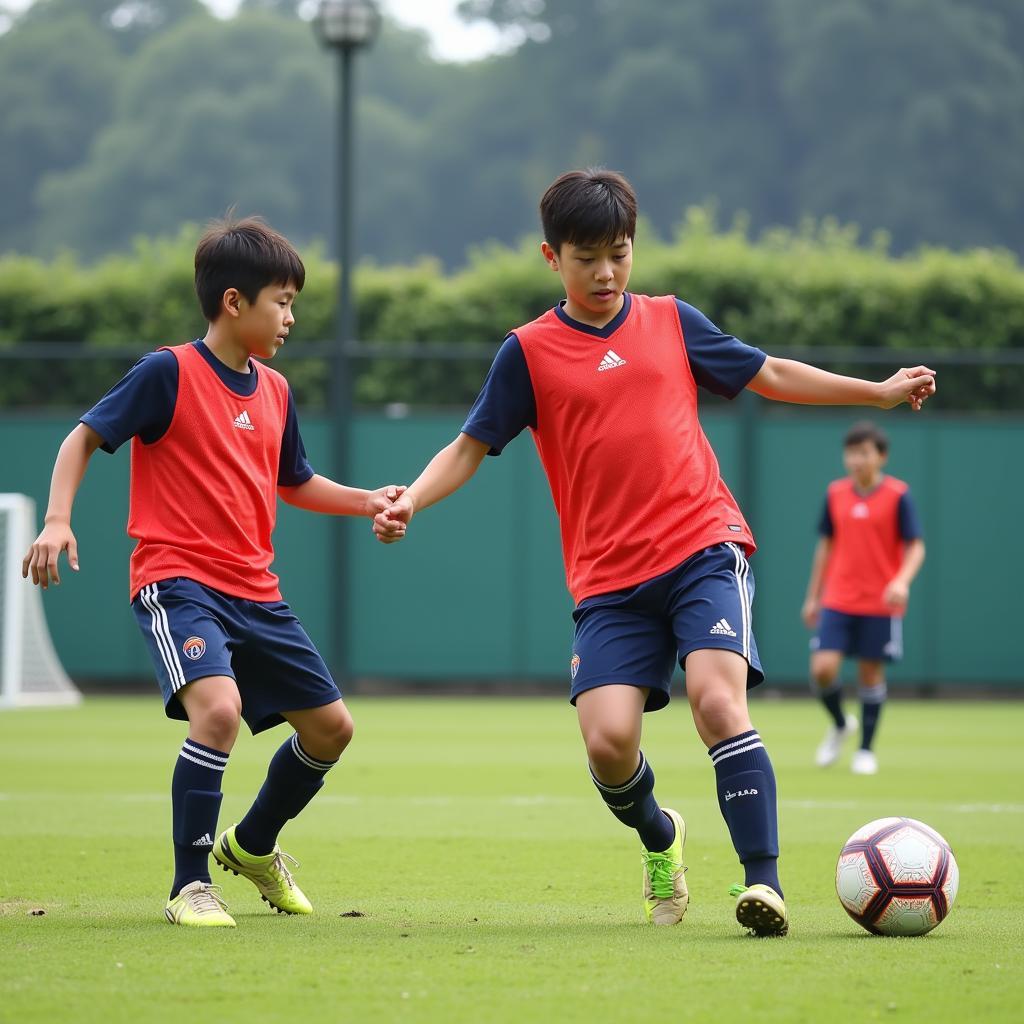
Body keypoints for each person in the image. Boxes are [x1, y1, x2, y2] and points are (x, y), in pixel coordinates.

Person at [372, 169, 936, 938]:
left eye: (620, 253)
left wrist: (874, 392)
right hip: (608, 582)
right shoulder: (528, 352)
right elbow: (472, 447)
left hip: (703, 546)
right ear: (551, 257)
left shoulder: (672, 321)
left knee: (716, 700)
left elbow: (768, 372)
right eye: (586, 258)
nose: (606, 273)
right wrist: (412, 498)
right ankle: (661, 840)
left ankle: (762, 884)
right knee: (608, 744)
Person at [22, 217, 403, 928]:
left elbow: (295, 482)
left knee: (331, 730)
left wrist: (367, 501)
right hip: (178, 582)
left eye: (293, 303)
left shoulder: (278, 391)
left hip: (258, 592)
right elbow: (83, 437)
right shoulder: (167, 372)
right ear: (235, 302)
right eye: (281, 301)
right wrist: (56, 519)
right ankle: (189, 885)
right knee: (220, 713)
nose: (290, 317)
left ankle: (254, 846)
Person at [802, 421, 925, 775]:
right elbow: (824, 546)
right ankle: (841, 723)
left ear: (881, 456)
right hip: (838, 599)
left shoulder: (899, 495)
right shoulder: (835, 493)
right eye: (851, 453)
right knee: (823, 670)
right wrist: (813, 597)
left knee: (870, 673)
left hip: (879, 602)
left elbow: (916, 546)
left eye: (864, 453)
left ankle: (866, 750)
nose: (856, 460)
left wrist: (901, 581)